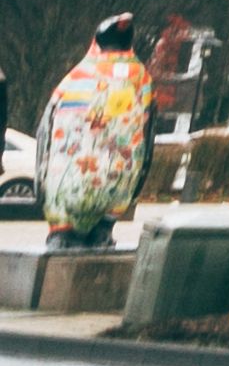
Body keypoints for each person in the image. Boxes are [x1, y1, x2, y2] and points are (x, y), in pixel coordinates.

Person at [37, 20, 161, 243]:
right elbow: (147, 140)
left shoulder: (76, 77)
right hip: (115, 191)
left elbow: (45, 134)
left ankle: (65, 228)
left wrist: (41, 182)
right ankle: (100, 226)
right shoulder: (141, 79)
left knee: (65, 238)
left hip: (65, 194)